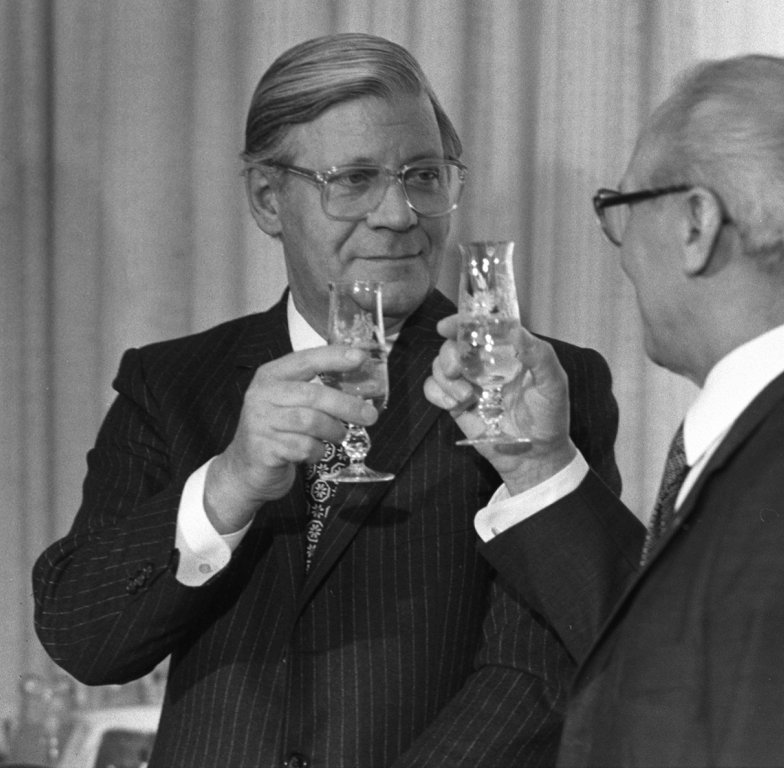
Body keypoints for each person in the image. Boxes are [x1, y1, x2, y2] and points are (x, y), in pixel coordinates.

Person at [32, 33, 642, 768]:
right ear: (267, 198)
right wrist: (226, 486)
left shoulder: (531, 386)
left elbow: (542, 676)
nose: (399, 213)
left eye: (423, 175)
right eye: (352, 180)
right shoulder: (171, 384)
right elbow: (82, 639)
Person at [426, 54, 784, 766]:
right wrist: (538, 463)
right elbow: (673, 672)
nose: (621, 253)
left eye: (620, 211)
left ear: (697, 223)